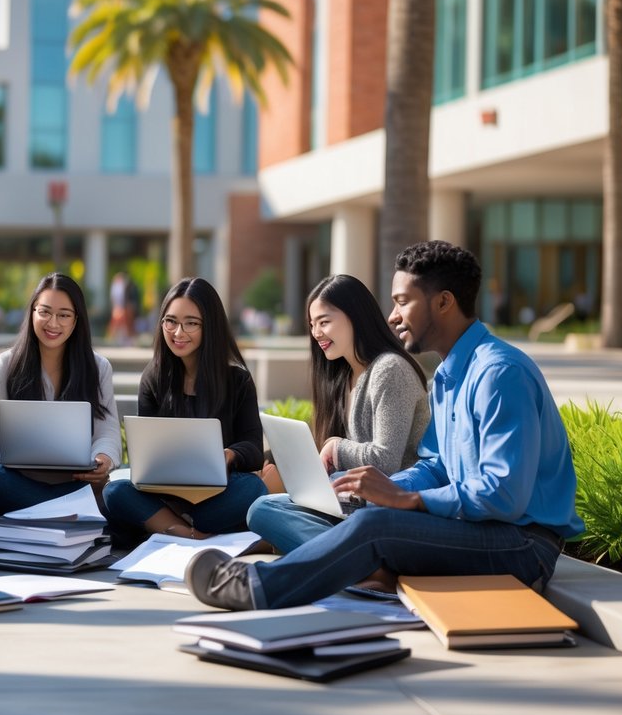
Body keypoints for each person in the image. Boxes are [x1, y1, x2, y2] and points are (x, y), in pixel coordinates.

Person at [186, 241, 584, 612]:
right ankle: (361, 567)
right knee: (362, 517)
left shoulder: (499, 374)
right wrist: (391, 490)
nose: (392, 315)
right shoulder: (449, 375)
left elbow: (504, 496)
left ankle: (256, 588)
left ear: (444, 302)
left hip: (521, 546)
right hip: (478, 530)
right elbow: (437, 464)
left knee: (375, 527)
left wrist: (409, 502)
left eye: (402, 302)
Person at [247, 274, 430, 554]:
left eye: (324, 322)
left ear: (355, 316)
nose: (316, 333)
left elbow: (388, 461)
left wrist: (336, 446)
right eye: (312, 325)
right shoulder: (342, 376)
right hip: (351, 502)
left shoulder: (389, 370)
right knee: (262, 509)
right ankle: (345, 553)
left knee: (266, 511)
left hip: (391, 506)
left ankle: (352, 557)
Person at [103, 277, 268, 541]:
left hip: (217, 492)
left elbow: (253, 448)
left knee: (253, 488)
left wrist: (228, 455)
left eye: (191, 323)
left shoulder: (237, 380)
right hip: (164, 492)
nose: (178, 333)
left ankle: (164, 525)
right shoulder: (154, 378)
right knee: (114, 491)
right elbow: (144, 451)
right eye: (171, 321)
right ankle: (188, 532)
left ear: (209, 327)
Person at [0, 273, 120, 516]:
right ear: (32, 312)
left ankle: (47, 511)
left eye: (64, 315)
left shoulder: (98, 368)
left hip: (76, 482)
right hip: (17, 481)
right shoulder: (4, 366)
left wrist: (102, 459)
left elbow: (107, 430)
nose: (53, 323)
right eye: (44, 312)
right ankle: (67, 512)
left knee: (120, 493)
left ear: (76, 320)